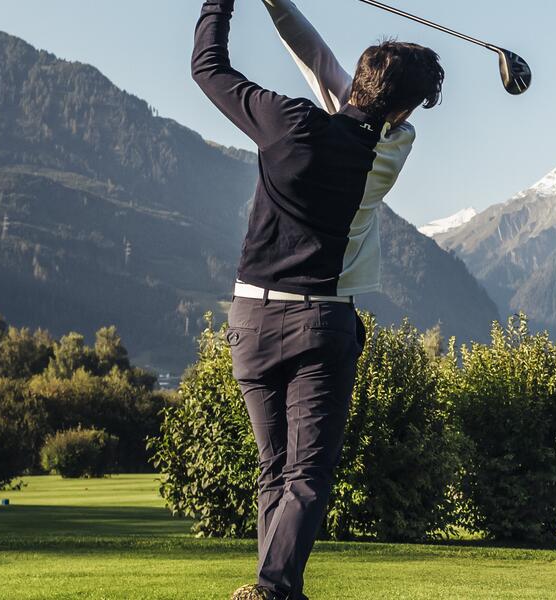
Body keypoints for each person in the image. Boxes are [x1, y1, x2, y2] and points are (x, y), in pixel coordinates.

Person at [190, 1, 444, 599]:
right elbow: (325, 68)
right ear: (402, 110)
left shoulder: (285, 121)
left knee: (274, 469)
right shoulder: (391, 148)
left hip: (249, 319)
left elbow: (209, 65)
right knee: (306, 472)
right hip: (321, 323)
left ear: (357, 82)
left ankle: (276, 588)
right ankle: (273, 589)